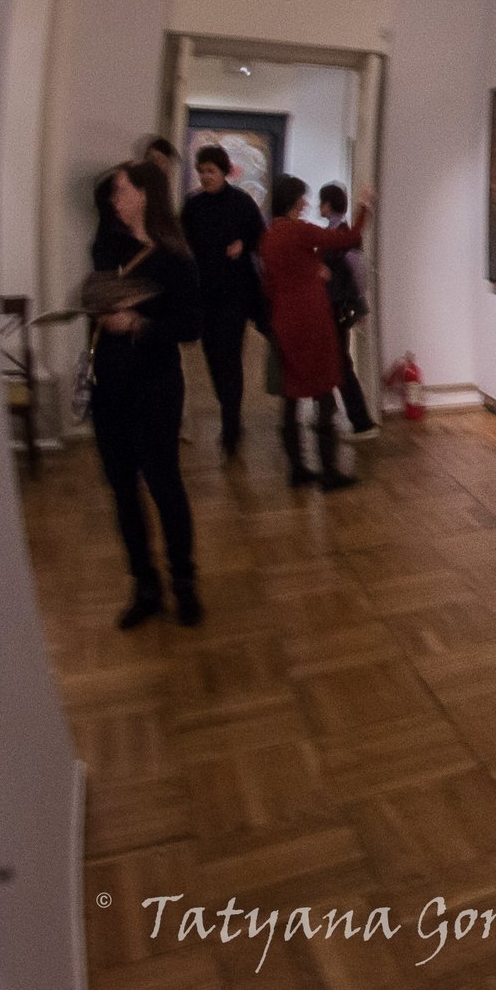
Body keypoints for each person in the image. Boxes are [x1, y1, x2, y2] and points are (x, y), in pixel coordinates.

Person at [86, 161, 203, 628]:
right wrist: (101, 306)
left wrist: (138, 322)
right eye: (115, 191)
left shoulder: (176, 258)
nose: (115, 199)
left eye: (123, 190)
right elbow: (96, 296)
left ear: (145, 195)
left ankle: (184, 584)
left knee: (164, 484)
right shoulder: (109, 246)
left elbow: (190, 326)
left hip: (155, 384)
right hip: (109, 383)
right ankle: (145, 586)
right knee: (122, 489)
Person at [260, 175, 370, 490]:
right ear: (294, 200)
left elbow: (270, 283)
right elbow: (349, 238)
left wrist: (311, 270)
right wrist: (364, 207)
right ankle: (329, 472)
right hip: (311, 319)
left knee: (291, 395)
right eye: (302, 198)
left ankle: (298, 469)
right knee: (323, 392)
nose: (306, 202)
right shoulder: (300, 231)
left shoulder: (269, 236)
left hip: (284, 319)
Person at [179, 144, 268, 457]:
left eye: (211, 171)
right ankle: (229, 409)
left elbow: (261, 236)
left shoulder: (242, 203)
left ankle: (231, 422)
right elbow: (183, 244)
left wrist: (243, 243)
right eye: (202, 171)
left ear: (224, 172)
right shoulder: (193, 206)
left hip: (235, 294)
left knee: (230, 356)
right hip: (204, 295)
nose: (205, 176)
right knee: (212, 357)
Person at [316, 183, 375, 438]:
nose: (318, 206)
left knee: (340, 364)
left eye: (321, 202)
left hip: (336, 308)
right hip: (334, 307)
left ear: (328, 205)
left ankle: (361, 422)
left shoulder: (339, 233)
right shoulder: (336, 232)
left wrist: (358, 305)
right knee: (333, 362)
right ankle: (329, 413)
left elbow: (357, 272)